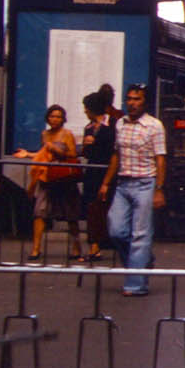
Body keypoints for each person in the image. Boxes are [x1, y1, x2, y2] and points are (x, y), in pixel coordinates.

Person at [97, 84, 165, 297]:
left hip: (146, 183)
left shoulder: (154, 126)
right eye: (129, 99)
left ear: (144, 102)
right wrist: (106, 182)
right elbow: (116, 155)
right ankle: (142, 262)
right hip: (123, 183)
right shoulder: (120, 124)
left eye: (137, 99)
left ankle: (136, 284)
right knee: (116, 230)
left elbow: (160, 159)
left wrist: (159, 190)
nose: (132, 103)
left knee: (140, 235)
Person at [22, 104, 84, 262]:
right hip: (48, 176)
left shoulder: (67, 134)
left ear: (63, 119)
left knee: (71, 215)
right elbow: (43, 154)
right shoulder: (45, 134)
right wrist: (28, 154)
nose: (54, 119)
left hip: (63, 178)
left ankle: (77, 247)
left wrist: (56, 150)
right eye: (52, 116)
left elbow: (72, 154)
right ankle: (36, 248)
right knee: (39, 212)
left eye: (58, 116)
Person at [80, 90, 118, 261]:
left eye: (86, 108)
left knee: (107, 207)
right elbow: (87, 153)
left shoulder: (113, 125)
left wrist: (97, 143)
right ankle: (94, 245)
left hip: (108, 170)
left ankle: (108, 240)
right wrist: (87, 146)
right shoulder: (88, 128)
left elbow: (114, 150)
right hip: (92, 172)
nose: (85, 112)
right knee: (92, 207)